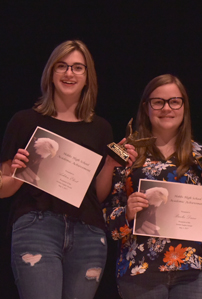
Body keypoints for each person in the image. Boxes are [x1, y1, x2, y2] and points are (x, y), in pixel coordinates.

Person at [0, 40, 136, 298]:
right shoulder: (24, 121)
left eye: (77, 68)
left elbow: (99, 194)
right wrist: (18, 175)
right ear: (51, 73)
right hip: (37, 227)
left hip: (89, 233)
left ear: (88, 78)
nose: (69, 73)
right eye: (62, 66)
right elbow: (3, 189)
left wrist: (110, 164)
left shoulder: (101, 128)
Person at [104, 74, 202, 299]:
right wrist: (128, 213)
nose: (167, 108)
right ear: (146, 107)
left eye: (175, 101)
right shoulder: (129, 155)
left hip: (195, 270)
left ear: (184, 106)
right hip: (140, 269)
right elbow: (109, 219)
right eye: (158, 102)